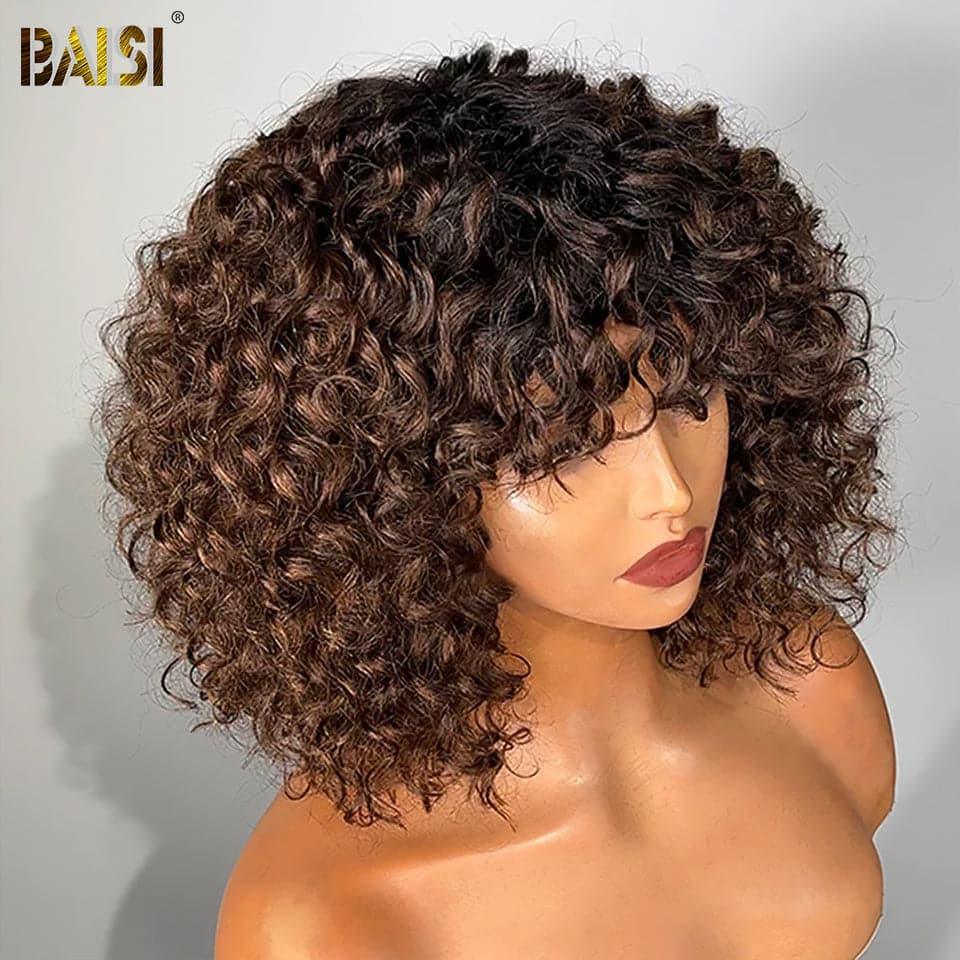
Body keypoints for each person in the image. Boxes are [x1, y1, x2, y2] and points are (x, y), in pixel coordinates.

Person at [94, 41, 901, 959]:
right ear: (391, 482)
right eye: (567, 446)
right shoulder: (336, 921)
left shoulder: (811, 687)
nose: (670, 492)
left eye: (687, 396)